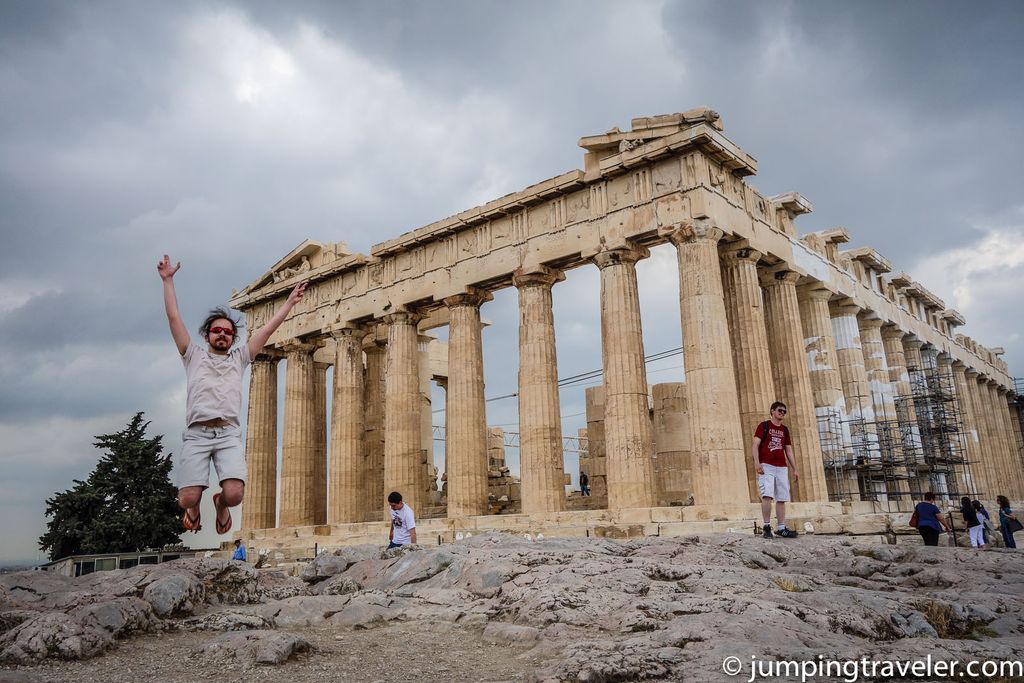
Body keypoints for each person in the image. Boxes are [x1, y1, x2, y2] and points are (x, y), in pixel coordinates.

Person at [159, 254, 306, 535]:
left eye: (227, 332)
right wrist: (168, 281)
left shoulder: (240, 358)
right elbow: (174, 317)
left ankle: (220, 504)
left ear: (233, 338)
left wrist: (289, 303)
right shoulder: (192, 355)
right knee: (187, 497)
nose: (222, 335)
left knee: (235, 494)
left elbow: (267, 330)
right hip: (197, 433)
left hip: (227, 433)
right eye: (216, 331)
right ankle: (193, 508)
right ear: (207, 335)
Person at [751, 401, 800, 539]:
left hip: (781, 466)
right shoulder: (764, 426)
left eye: (784, 411)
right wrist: (757, 463)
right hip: (766, 465)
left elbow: (788, 450)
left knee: (782, 497)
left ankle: (781, 528)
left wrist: (795, 469)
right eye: (780, 410)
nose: (782, 413)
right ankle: (766, 526)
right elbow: (755, 445)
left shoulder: (785, 430)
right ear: (772, 411)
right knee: (767, 495)